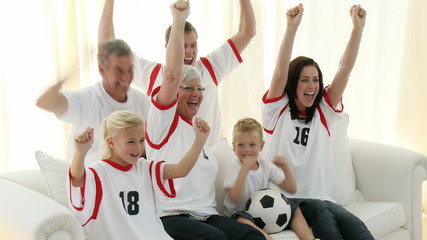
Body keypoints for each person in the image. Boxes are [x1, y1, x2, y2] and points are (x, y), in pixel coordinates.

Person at [144, 1, 265, 239]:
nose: (197, 93)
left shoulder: (200, 132)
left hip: (207, 215)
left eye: (200, 89)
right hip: (171, 217)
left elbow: (248, 31)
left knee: (253, 237)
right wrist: (178, 19)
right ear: (174, 92)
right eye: (188, 87)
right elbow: (171, 75)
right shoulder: (162, 124)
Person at [261, 4, 374, 239]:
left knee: (359, 230)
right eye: (304, 80)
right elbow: (280, 72)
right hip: (287, 200)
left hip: (322, 198)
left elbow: (345, 68)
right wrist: (291, 28)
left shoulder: (323, 110)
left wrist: (358, 29)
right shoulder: (277, 109)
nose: (312, 86)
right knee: (327, 225)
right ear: (293, 84)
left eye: (315, 80)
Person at [99, 0, 256, 147]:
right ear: (169, 46)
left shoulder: (210, 68)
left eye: (193, 45)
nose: (189, 52)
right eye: (183, 45)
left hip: (210, 157)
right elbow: (108, 47)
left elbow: (247, 31)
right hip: (175, 161)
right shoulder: (154, 75)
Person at [66, 110, 210, 239]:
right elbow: (77, 180)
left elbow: (180, 170)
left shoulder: (144, 167)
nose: (138, 148)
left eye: (142, 140)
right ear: (111, 142)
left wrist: (199, 141)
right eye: (130, 142)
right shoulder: (99, 171)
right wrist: (80, 153)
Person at [36, 39, 150, 164]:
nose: (126, 77)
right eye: (119, 71)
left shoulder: (141, 101)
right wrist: (74, 69)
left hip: (126, 179)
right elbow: (45, 102)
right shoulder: (89, 100)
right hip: (88, 179)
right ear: (102, 70)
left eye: (130, 70)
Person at [223, 117, 316, 240]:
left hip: (265, 213)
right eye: (241, 145)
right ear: (234, 147)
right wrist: (244, 169)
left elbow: (291, 189)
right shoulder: (233, 168)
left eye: (252, 145)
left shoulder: (265, 166)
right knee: (240, 219)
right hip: (241, 213)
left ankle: (309, 239)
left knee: (294, 207)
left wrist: (286, 168)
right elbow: (235, 197)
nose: (246, 149)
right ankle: (267, 238)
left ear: (261, 146)